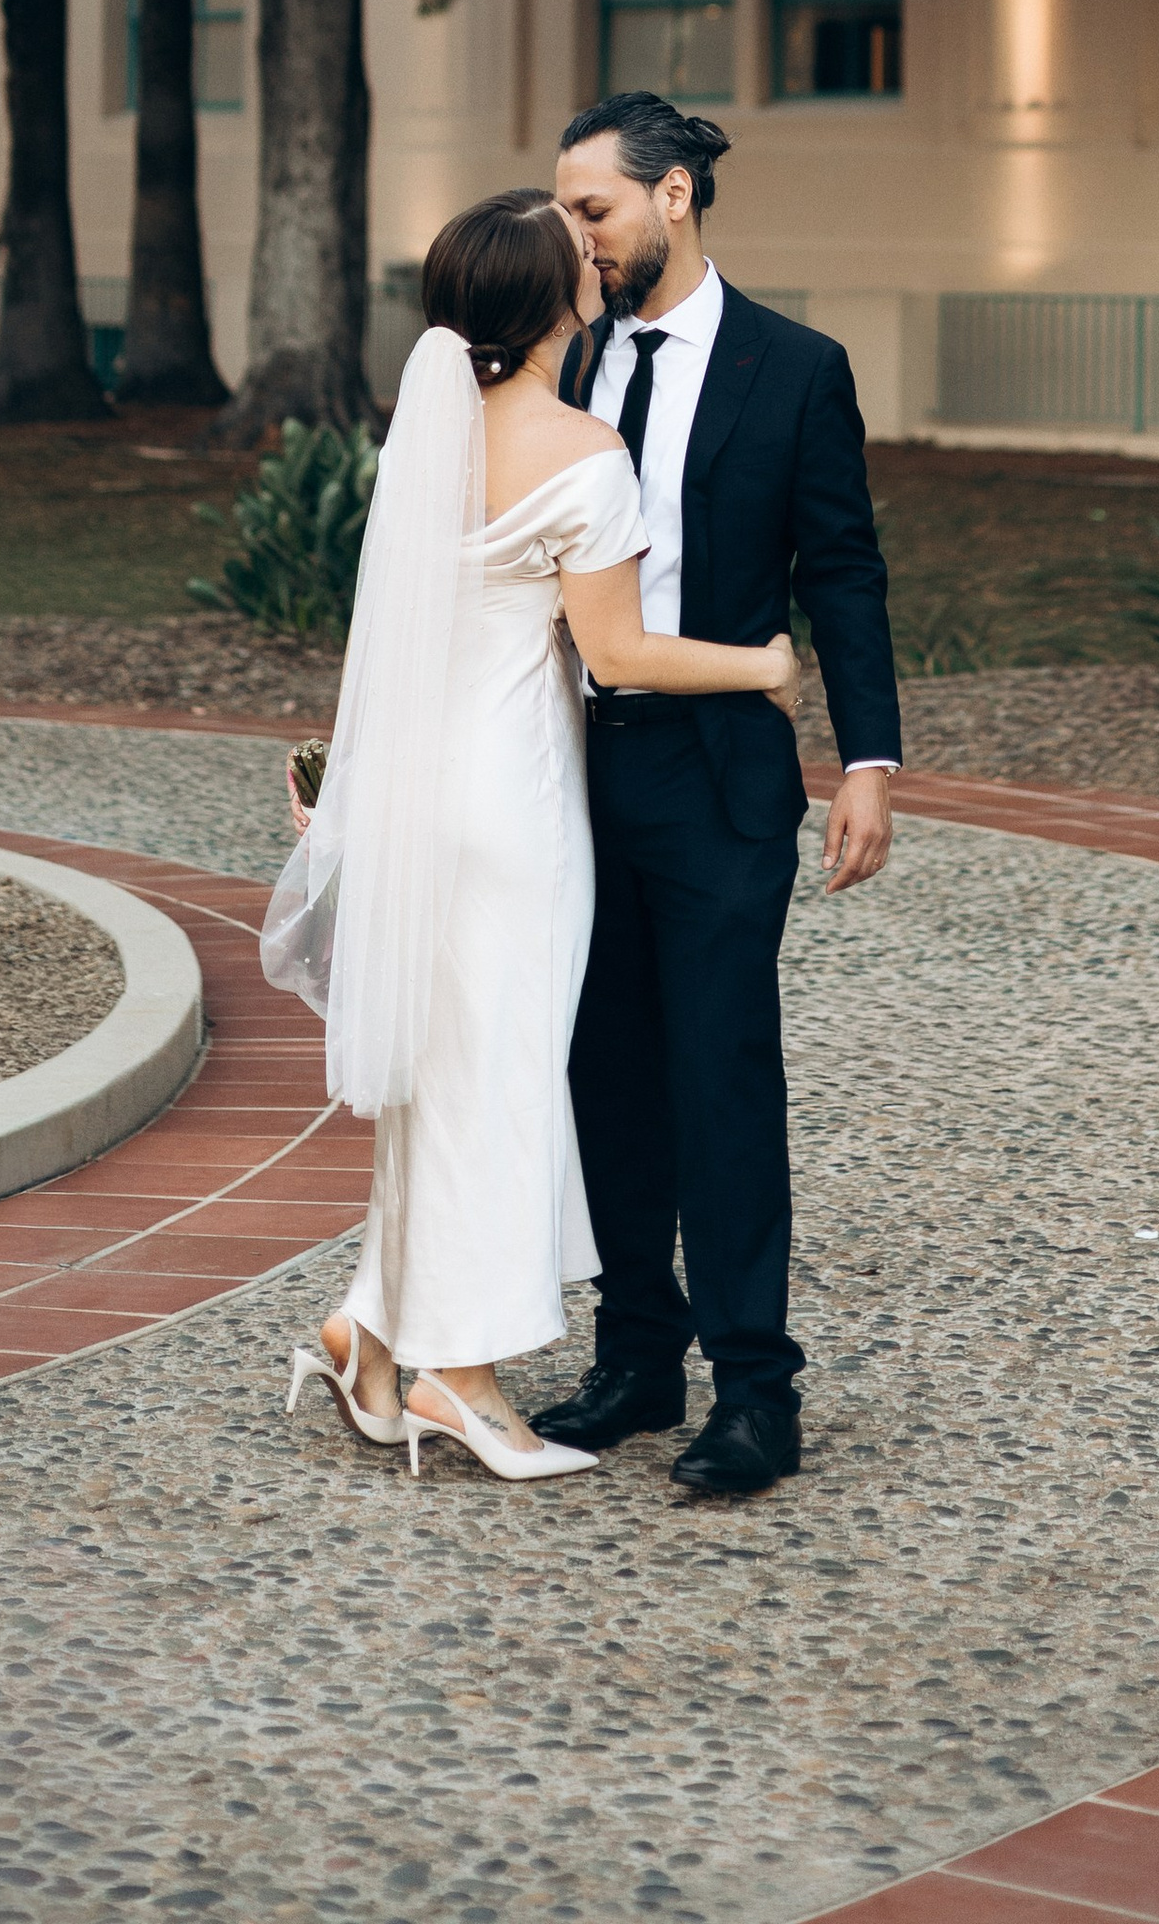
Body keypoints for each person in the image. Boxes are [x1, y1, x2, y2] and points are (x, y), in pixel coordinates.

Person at [261, 186, 799, 1486]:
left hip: (418, 797)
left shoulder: (431, 441)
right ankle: (463, 1374)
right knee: (497, 1085)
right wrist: (762, 662)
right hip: (512, 808)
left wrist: (347, 800)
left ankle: (370, 1330)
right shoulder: (578, 451)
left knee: (440, 1076)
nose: (594, 255)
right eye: (576, 252)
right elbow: (614, 652)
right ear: (558, 299)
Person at [536, 93, 900, 1499]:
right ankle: (638, 1357)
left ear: (675, 194)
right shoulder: (554, 363)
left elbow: (844, 572)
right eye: (568, 210)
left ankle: (758, 1389)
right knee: (605, 1072)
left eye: (595, 207)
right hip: (570, 765)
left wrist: (868, 759)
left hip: (721, 775)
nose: (577, 233)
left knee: (721, 1074)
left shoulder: (795, 367)